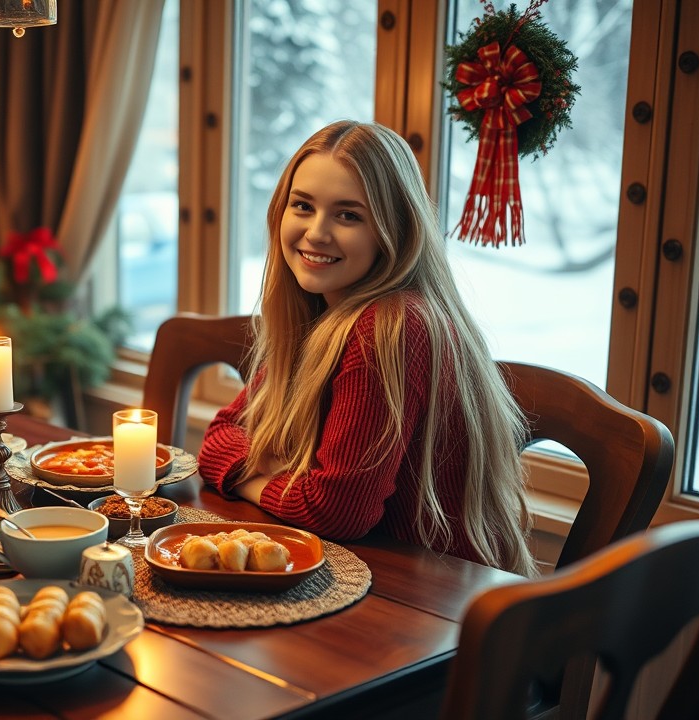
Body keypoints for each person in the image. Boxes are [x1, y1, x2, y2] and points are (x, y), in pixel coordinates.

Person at [198, 120, 536, 576]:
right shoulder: (319, 315)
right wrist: (281, 476)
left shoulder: (389, 327)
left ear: (393, 230)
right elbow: (218, 436)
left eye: (348, 215)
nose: (316, 233)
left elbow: (334, 511)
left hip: (435, 603)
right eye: (303, 205)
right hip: (366, 575)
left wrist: (253, 477)